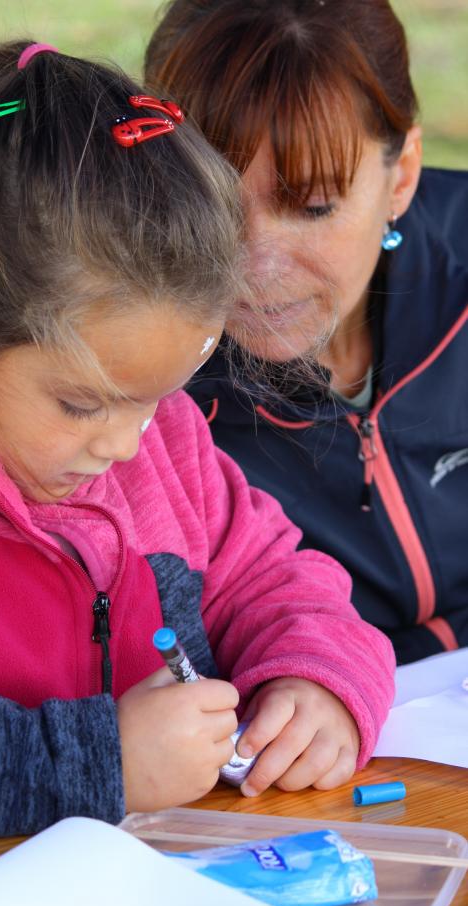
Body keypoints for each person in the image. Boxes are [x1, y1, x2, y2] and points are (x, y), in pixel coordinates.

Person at [0, 39, 394, 839]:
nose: (127, 445)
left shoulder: (162, 442)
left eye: (156, 398)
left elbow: (277, 580)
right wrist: (103, 762)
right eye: (81, 404)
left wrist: (318, 681)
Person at [145, 0, 468, 666]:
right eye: (212, 206)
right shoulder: (129, 383)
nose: (255, 266)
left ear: (402, 175)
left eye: (313, 206)